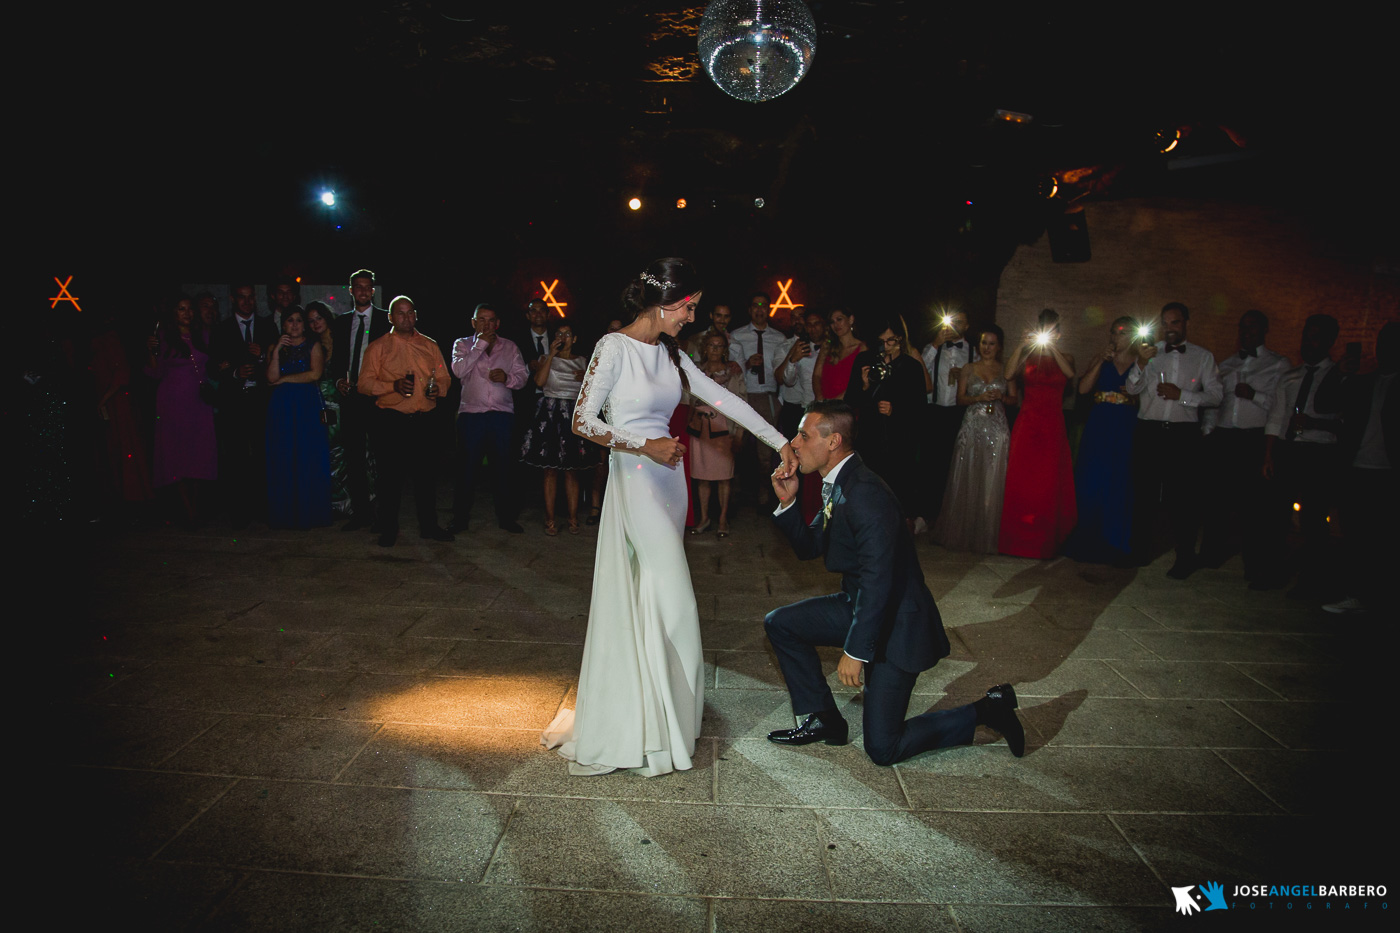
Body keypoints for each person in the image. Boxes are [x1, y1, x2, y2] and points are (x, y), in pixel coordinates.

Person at [541, 258, 796, 777]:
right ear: (663, 304)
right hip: (635, 477)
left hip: (668, 480)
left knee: (657, 599)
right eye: (690, 307)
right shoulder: (614, 347)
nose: (693, 317)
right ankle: (658, 723)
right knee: (676, 597)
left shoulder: (671, 353)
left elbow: (722, 397)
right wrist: (644, 444)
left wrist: (780, 441)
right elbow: (582, 420)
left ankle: (657, 716)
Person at [763, 400, 1025, 764]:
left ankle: (988, 711)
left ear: (834, 440)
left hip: (897, 623)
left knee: (884, 748)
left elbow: (879, 580)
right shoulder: (838, 482)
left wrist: (855, 652)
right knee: (781, 623)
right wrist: (789, 504)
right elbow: (810, 548)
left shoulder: (865, 492)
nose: (793, 443)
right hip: (863, 606)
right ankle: (821, 719)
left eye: (803, 435)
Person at [1123, 302, 1223, 578]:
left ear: (1186, 323)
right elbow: (1131, 388)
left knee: (1182, 498)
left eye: (1175, 323)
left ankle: (1185, 556)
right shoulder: (1150, 353)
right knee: (1144, 494)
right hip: (1149, 430)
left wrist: (1183, 396)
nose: (1169, 329)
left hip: (1183, 434)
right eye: (1165, 323)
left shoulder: (1203, 357)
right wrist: (1141, 363)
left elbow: (1216, 396)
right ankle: (1139, 551)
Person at [357, 296, 453, 547]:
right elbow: (364, 384)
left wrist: (438, 390)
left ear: (416, 315)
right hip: (392, 421)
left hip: (424, 420)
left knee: (426, 478)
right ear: (390, 317)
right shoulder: (379, 347)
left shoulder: (429, 345)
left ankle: (429, 526)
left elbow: (444, 377)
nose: (406, 317)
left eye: (410, 313)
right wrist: (393, 386)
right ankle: (388, 529)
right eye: (400, 313)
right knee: (390, 479)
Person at [1198, 310, 1289, 575]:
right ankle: (1211, 554)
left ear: (1264, 330)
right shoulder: (1225, 364)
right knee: (1217, 501)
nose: (1247, 333)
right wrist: (1207, 432)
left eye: (1253, 328)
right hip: (1224, 437)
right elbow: (1215, 404)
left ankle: (1256, 563)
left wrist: (1255, 395)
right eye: (1243, 328)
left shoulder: (1278, 364)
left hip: (1253, 438)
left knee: (1254, 506)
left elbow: (1279, 406)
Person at [1258, 314, 1343, 596]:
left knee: (1313, 520)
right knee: (1276, 516)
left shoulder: (1338, 377)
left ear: (1330, 341)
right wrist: (1269, 455)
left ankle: (1311, 579)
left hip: (1319, 453)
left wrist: (1314, 423)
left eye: (1316, 336)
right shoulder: (1290, 376)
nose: (1309, 341)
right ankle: (1272, 573)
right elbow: (1276, 417)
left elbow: (1346, 422)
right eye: (1307, 335)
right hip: (1287, 449)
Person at [1316, 322, 1398, 614]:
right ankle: (1357, 595)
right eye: (1383, 343)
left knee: (1385, 540)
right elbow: (1323, 403)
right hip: (1358, 469)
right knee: (1356, 537)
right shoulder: (1365, 381)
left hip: (1389, 474)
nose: (1386, 349)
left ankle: (1382, 598)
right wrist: (1339, 371)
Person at [998, 310, 1077, 559]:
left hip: (1053, 424)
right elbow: (1008, 374)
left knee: (1048, 484)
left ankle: (1046, 542)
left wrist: (1051, 348)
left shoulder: (1066, 356)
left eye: (1052, 330)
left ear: (1058, 333)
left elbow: (1070, 374)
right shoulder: (1027, 356)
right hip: (1028, 424)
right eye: (1043, 329)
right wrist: (1023, 344)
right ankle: (1017, 541)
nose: (1047, 334)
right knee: (1022, 483)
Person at [1063, 316, 1140, 564]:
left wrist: (1135, 395)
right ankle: (1087, 539)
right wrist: (1100, 362)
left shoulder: (1142, 362)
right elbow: (1083, 389)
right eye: (1114, 332)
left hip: (1125, 424)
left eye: (1122, 332)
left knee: (1119, 479)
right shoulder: (1102, 358)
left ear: (1134, 336)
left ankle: (1114, 541)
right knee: (1091, 478)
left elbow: (1150, 399)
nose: (1116, 337)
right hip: (1099, 423)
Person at [932, 325, 1013, 553]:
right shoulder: (969, 368)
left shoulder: (1006, 369)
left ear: (999, 347)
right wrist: (978, 397)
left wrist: (1002, 397)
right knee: (968, 474)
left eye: (992, 343)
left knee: (992, 478)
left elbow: (1015, 398)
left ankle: (990, 533)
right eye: (984, 343)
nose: (987, 348)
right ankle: (963, 530)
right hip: (973, 425)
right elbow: (960, 399)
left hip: (997, 427)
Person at [450, 303, 529, 534]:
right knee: (467, 469)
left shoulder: (510, 347)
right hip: (471, 415)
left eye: (490, 320)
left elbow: (523, 377)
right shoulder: (462, 344)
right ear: (473, 322)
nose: (486, 324)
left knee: (503, 469)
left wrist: (507, 378)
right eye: (481, 319)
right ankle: (459, 519)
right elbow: (458, 371)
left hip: (501, 415)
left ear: (497, 323)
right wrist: (480, 345)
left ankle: (506, 518)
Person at [845, 317, 927, 522]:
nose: (887, 346)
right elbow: (850, 400)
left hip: (899, 439)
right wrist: (864, 386)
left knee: (898, 488)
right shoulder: (865, 360)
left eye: (892, 341)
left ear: (900, 339)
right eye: (882, 341)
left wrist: (895, 410)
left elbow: (920, 408)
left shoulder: (911, 366)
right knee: (869, 486)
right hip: (870, 436)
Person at [210, 283, 278, 527]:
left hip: (260, 400)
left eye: (251, 298)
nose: (247, 302)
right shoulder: (221, 330)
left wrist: (262, 356)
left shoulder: (267, 326)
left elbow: (276, 361)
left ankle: (262, 509)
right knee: (236, 457)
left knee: (262, 455)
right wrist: (235, 373)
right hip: (234, 403)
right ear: (233, 299)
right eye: (242, 298)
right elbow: (214, 367)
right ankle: (239, 512)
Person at [145, 296, 217, 526]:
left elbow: (212, 367)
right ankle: (187, 512)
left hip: (199, 402)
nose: (186, 313)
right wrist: (151, 351)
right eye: (181, 309)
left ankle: (197, 509)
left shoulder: (203, 335)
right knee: (177, 455)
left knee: (199, 455)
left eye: (189, 309)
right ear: (173, 313)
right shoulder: (164, 338)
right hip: (173, 403)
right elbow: (155, 374)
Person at [328, 269, 390, 531]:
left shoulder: (386, 320)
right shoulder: (341, 322)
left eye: (368, 287)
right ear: (351, 290)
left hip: (377, 397)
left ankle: (384, 514)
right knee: (353, 458)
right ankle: (361, 513)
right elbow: (337, 360)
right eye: (358, 287)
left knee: (382, 457)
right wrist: (338, 381)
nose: (363, 291)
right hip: (351, 397)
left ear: (373, 291)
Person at [520, 323, 594, 535]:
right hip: (550, 412)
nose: (564, 337)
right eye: (559, 334)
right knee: (549, 471)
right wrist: (551, 355)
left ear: (575, 338)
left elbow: (591, 394)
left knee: (572, 471)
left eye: (568, 333)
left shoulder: (583, 362)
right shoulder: (545, 359)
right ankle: (550, 519)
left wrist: (587, 380)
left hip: (572, 414)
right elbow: (540, 382)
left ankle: (572, 518)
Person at [264, 307, 332, 529]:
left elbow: (315, 374)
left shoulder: (313, 346)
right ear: (283, 325)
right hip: (282, 407)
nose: (294, 325)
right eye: (290, 321)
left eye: (299, 321)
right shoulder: (276, 348)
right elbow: (271, 377)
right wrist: (275, 353)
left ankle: (309, 512)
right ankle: (285, 513)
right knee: (283, 454)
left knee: (306, 454)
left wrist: (285, 380)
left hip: (306, 405)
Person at [729, 291, 788, 506]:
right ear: (749, 309)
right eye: (755, 305)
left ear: (769, 309)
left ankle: (765, 495)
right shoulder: (737, 335)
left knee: (766, 450)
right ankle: (733, 495)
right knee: (737, 447)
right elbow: (732, 370)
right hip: (743, 396)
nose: (760, 309)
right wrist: (747, 364)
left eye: (764, 305)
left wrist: (779, 400)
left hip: (767, 397)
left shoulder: (779, 338)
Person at [687, 332, 747, 536]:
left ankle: (722, 519)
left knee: (724, 477)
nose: (715, 349)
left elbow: (743, 404)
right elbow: (687, 398)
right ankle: (704, 518)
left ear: (725, 349)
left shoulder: (733, 372)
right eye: (711, 345)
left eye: (719, 346)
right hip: (700, 429)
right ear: (704, 348)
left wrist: (739, 433)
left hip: (724, 430)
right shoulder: (696, 371)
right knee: (702, 477)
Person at [921, 310, 972, 522]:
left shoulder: (973, 352)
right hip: (935, 411)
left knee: (954, 464)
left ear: (967, 326)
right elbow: (919, 367)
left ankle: (950, 514)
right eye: (952, 321)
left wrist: (967, 376)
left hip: (959, 413)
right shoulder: (932, 347)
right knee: (931, 463)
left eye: (959, 322)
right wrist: (935, 344)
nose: (954, 326)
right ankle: (927, 513)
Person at [812, 309, 864, 401]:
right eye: (832, 322)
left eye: (839, 319)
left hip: (847, 404)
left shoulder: (862, 348)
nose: (836, 325)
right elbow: (816, 375)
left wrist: (836, 402)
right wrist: (820, 398)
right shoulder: (827, 346)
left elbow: (858, 382)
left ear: (851, 319)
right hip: (824, 404)